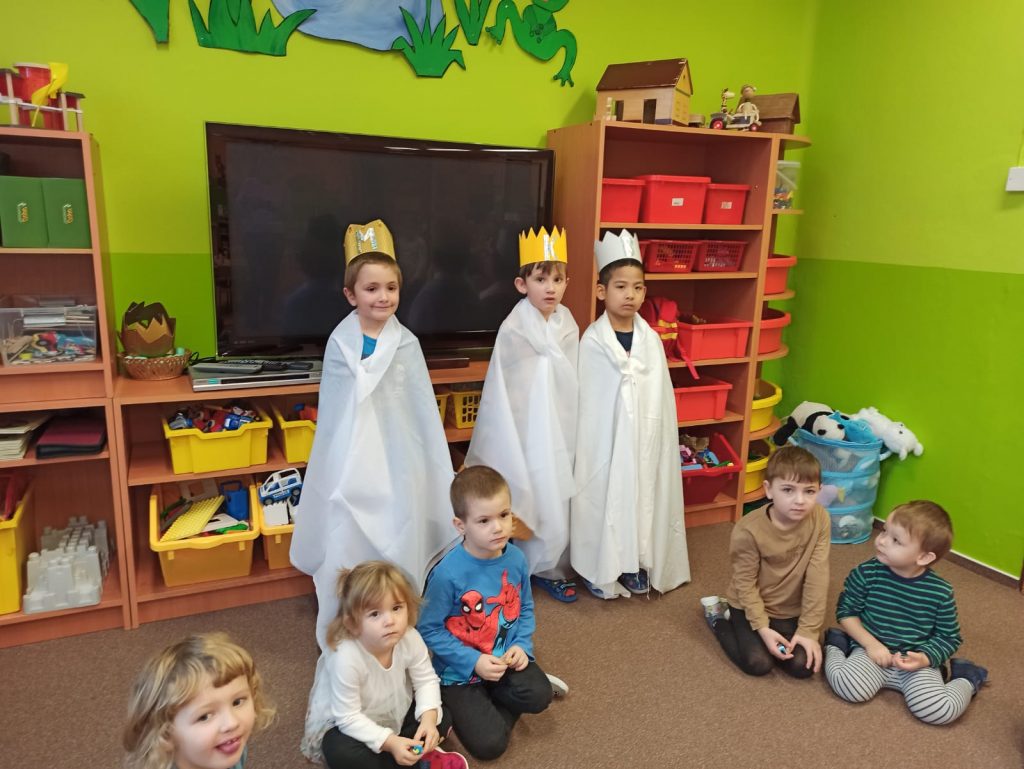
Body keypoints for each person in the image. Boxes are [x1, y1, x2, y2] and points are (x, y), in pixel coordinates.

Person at [290, 219, 458, 757]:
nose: (382, 297)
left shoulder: (407, 344)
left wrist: (415, 470)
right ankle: (346, 630)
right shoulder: (340, 342)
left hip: (394, 468)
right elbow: (339, 413)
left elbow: (416, 415)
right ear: (350, 294)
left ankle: (395, 633)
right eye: (371, 288)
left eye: (390, 288)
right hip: (348, 472)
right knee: (346, 551)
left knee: (394, 547)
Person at [570, 229, 690, 599]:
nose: (630, 295)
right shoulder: (592, 341)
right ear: (601, 291)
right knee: (604, 493)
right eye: (621, 287)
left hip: (643, 440)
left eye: (638, 288)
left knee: (642, 492)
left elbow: (658, 395)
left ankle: (636, 559)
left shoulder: (651, 339)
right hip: (605, 443)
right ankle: (601, 565)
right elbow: (588, 402)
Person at [466, 226, 579, 602]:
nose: (550, 288)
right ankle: (520, 564)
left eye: (558, 279)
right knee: (527, 491)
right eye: (540, 279)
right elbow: (505, 386)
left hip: (558, 428)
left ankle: (550, 566)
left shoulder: (567, 324)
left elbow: (571, 379)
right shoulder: (514, 327)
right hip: (524, 430)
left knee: (555, 494)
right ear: (521, 283)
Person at [418, 466, 553, 761]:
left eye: (504, 515)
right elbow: (428, 629)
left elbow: (524, 607)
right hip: (458, 673)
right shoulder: (446, 574)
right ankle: (471, 705)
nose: (498, 527)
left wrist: (522, 646)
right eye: (484, 520)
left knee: (540, 696)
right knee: (490, 746)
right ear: (460, 525)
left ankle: (489, 700)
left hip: (503, 660)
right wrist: (473, 661)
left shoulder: (516, 559)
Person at [823, 501, 988, 725]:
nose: (881, 540)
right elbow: (846, 611)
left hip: (914, 662)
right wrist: (870, 644)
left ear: (924, 557)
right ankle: (836, 645)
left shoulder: (940, 592)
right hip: (871, 650)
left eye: (896, 540)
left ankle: (967, 677)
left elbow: (949, 637)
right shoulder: (866, 572)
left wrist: (924, 658)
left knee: (940, 711)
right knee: (849, 687)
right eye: (884, 531)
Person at [320, 561, 468, 769]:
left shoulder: (410, 637)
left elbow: (426, 680)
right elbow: (348, 717)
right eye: (375, 614)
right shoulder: (345, 657)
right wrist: (390, 743)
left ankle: (409, 755)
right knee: (338, 750)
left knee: (441, 717)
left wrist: (428, 720)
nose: (390, 621)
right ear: (352, 623)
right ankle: (415, 758)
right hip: (356, 722)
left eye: (396, 608)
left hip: (396, 708)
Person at [712, 445, 829, 677]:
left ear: (819, 491)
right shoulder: (748, 530)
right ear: (768, 490)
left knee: (802, 667)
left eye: (809, 491)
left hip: (789, 609)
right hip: (749, 605)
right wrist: (763, 628)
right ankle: (719, 621)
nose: (800, 500)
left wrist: (809, 630)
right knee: (759, 664)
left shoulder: (820, 518)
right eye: (788, 490)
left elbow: (818, 576)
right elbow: (745, 583)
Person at [123, 633, 275, 769]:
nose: (232, 723)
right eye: (204, 716)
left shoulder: (230, 747)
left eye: (237, 702)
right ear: (166, 735)